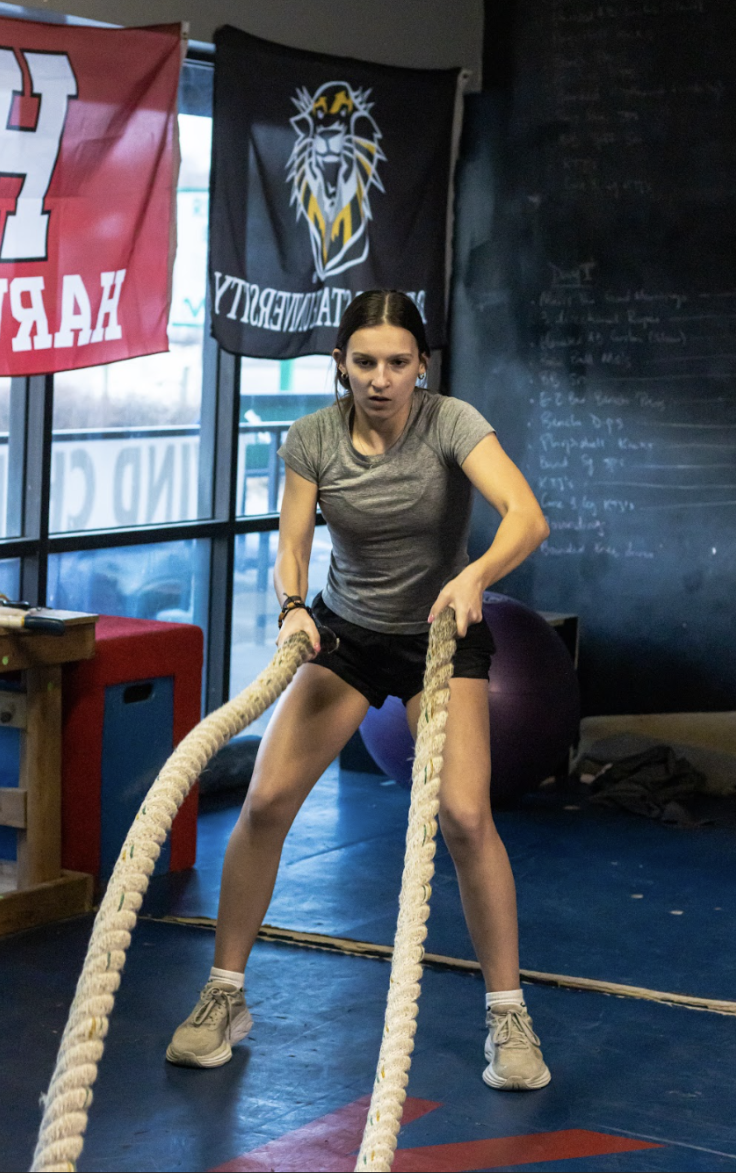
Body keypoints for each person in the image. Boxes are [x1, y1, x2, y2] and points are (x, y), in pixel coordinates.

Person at [167, 289, 552, 1091]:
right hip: (345, 637)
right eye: (365, 361)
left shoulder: (450, 423)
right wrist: (292, 610)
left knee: (467, 816)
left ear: (421, 365)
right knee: (266, 803)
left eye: (398, 362)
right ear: (341, 364)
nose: (381, 379)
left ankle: (508, 1016)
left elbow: (525, 516)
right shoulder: (312, 438)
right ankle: (224, 996)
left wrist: (476, 575)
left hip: (441, 636)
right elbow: (294, 544)